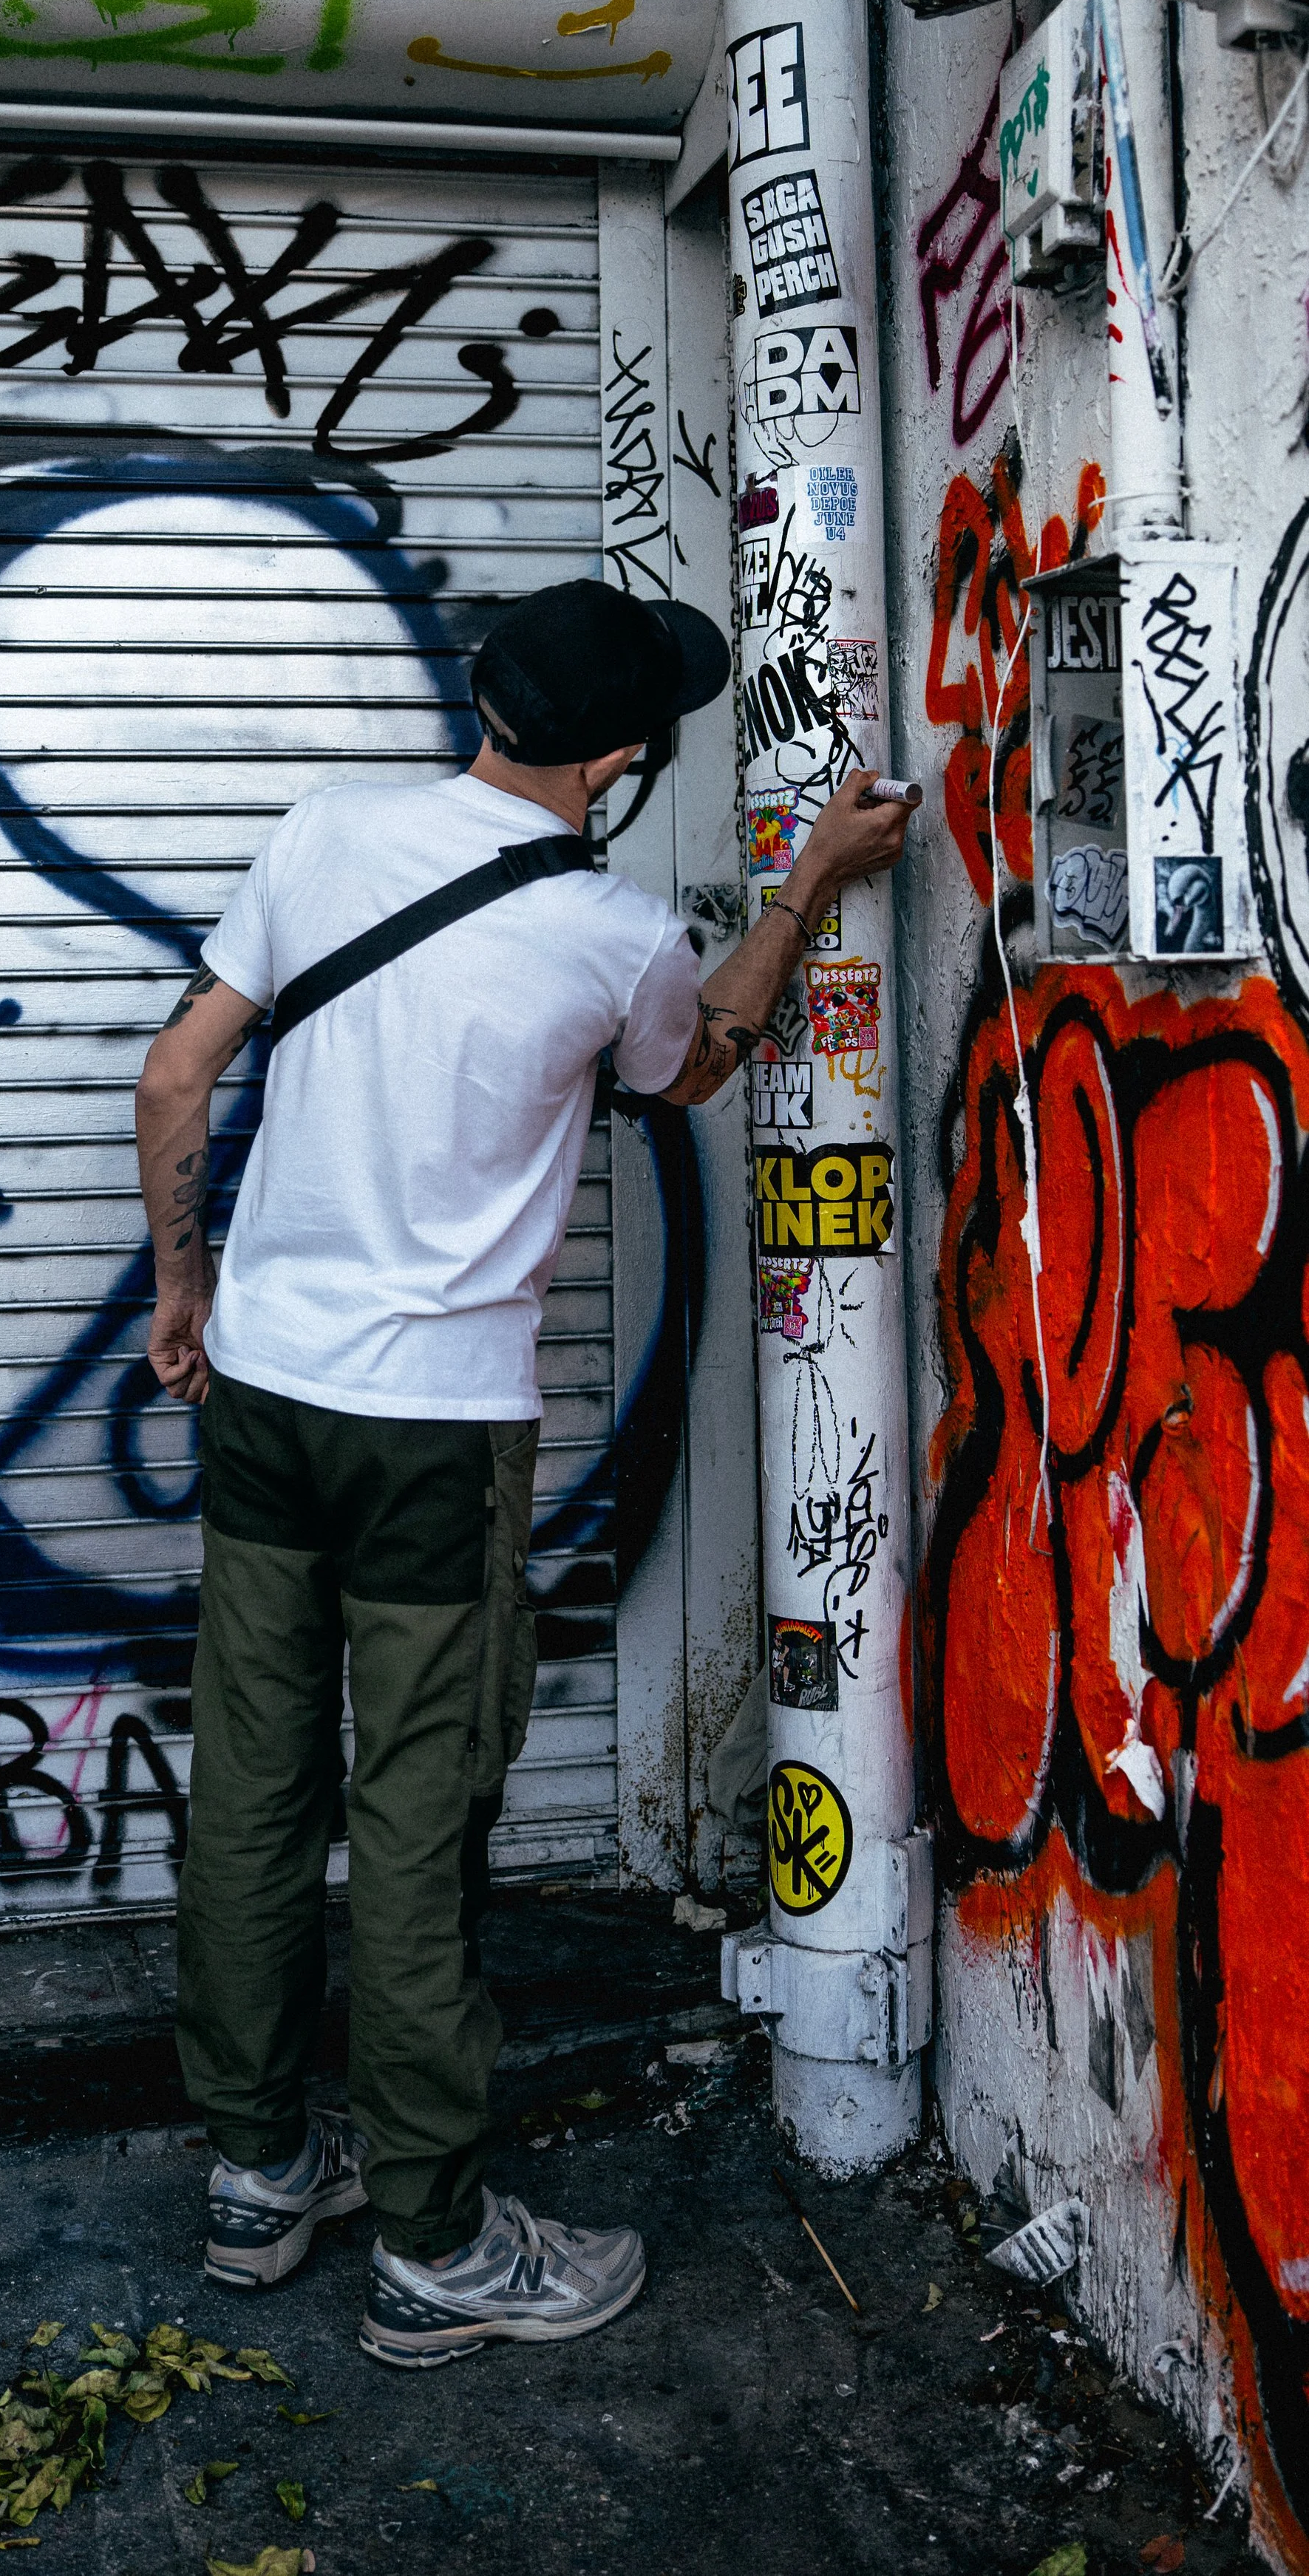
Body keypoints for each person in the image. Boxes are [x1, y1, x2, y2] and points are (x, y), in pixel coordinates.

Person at [133, 577, 917, 2368]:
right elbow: (697, 1059)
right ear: (625, 753)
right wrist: (808, 889)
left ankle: (259, 2174)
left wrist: (186, 1288)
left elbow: (176, 1078)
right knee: (416, 1822)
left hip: (261, 1389)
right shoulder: (610, 935)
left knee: (253, 1782)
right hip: (428, 1433)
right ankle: (432, 2242)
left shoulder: (327, 830)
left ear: (487, 701)